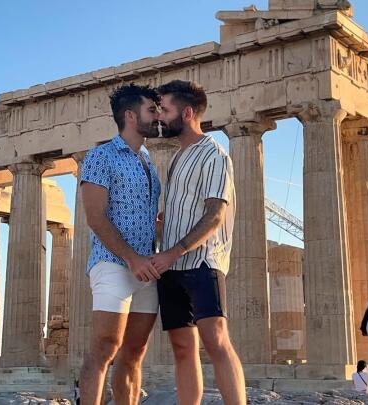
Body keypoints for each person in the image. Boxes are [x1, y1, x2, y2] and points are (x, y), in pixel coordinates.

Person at [151, 80, 245, 405]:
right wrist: (160, 228)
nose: (159, 116)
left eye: (165, 110)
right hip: (171, 265)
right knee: (182, 347)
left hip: (203, 261)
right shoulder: (177, 158)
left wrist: (174, 250)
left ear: (187, 112)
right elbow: (181, 211)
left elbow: (215, 213)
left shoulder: (215, 154)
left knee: (216, 340)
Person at [78, 84, 163, 405]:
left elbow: (139, 216)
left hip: (146, 267)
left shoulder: (148, 160)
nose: (158, 116)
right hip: (113, 263)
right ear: (130, 115)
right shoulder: (101, 156)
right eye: (151, 110)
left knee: (135, 352)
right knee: (104, 346)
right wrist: (130, 258)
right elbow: (96, 217)